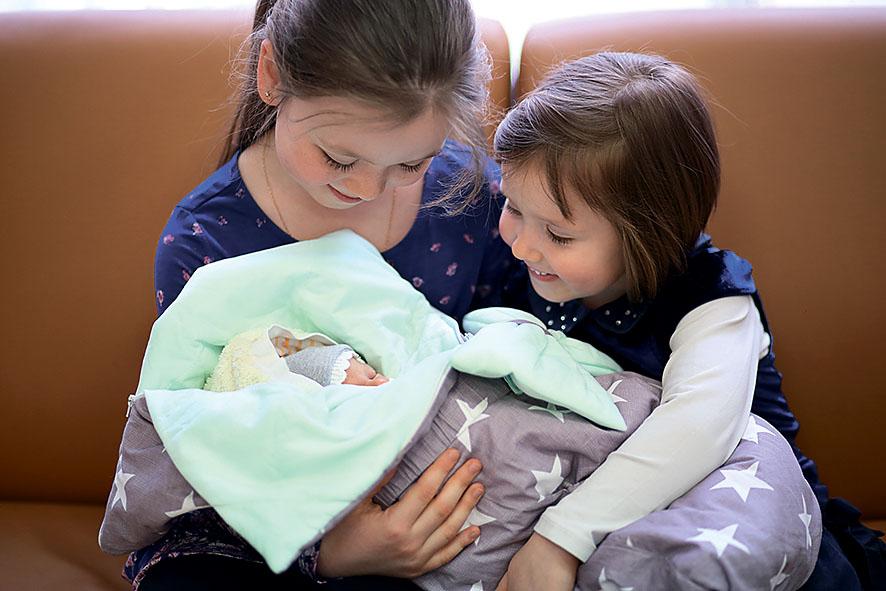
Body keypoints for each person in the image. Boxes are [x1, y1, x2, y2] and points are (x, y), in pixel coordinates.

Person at [132, 0, 519, 588]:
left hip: (444, 499)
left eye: (412, 163)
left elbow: (532, 347)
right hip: (262, 530)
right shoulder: (207, 242)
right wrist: (332, 554)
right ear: (271, 75)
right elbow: (197, 446)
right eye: (338, 158)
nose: (368, 190)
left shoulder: (469, 197)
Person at [491, 51, 885, 591]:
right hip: (608, 523)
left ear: (649, 231)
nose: (522, 245)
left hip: (751, 523)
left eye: (558, 235)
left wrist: (560, 538)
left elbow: (697, 427)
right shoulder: (525, 273)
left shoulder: (713, 298)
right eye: (512, 207)